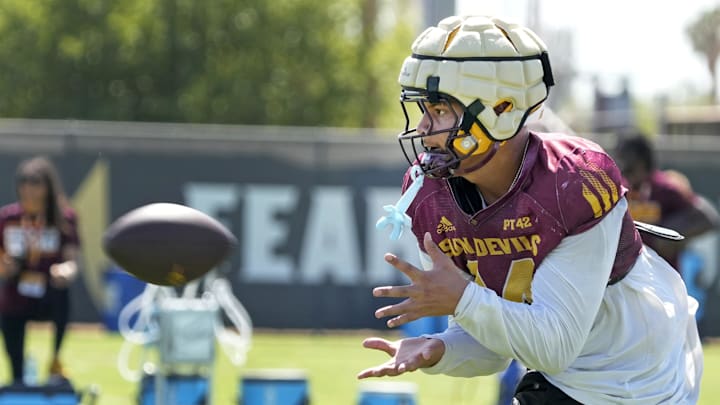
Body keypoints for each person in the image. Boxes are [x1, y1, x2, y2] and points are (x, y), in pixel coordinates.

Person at [358, 15, 702, 404]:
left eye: (439, 110)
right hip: (559, 377)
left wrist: (463, 299)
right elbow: (493, 340)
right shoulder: (430, 198)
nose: (422, 127)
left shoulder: (572, 181)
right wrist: (441, 349)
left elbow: (552, 345)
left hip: (638, 378)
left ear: (500, 110)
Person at [0, 157, 80, 385]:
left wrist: (65, 271)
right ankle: (17, 380)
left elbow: (72, 260)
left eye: (36, 184)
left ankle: (55, 363)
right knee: (8, 312)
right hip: (16, 292)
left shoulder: (64, 219)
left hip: (49, 293)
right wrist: (5, 266)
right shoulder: (7, 218)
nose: (29, 190)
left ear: (48, 187)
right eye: (24, 184)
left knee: (61, 297)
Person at [615, 134, 719, 270]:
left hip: (664, 275)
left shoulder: (666, 188)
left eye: (629, 166)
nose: (624, 171)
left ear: (642, 162)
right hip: (633, 275)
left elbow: (709, 218)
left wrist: (673, 233)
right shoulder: (620, 190)